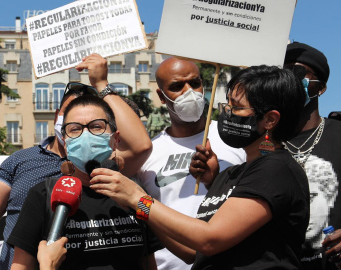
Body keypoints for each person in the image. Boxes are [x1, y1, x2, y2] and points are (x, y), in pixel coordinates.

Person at [90, 65, 310, 269]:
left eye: (238, 107)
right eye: (228, 103)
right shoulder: (232, 174)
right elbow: (192, 251)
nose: (226, 112)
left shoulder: (276, 169)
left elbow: (209, 239)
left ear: (270, 120)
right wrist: (143, 208)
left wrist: (140, 199)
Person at [0, 53, 153, 269]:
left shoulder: (118, 174)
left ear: (114, 137)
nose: (85, 132)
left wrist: (102, 85)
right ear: (57, 119)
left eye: (95, 125)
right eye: (74, 123)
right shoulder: (24, 166)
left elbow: (142, 146)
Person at [8, 95, 162, 269]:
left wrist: (140, 200)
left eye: (96, 127)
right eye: (75, 129)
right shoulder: (42, 195)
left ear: (115, 139)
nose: (85, 136)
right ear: (65, 143)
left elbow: (149, 261)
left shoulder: (136, 192)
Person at [136, 57, 245, 269]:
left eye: (195, 83)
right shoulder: (148, 154)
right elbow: (143, 211)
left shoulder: (235, 141)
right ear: (161, 96)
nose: (190, 92)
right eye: (177, 86)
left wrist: (215, 182)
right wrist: (139, 204)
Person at [283, 42, 341, 270]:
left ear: (321, 87)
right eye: (283, 73)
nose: (289, 80)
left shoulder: (338, 134)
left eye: (298, 73)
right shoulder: (262, 141)